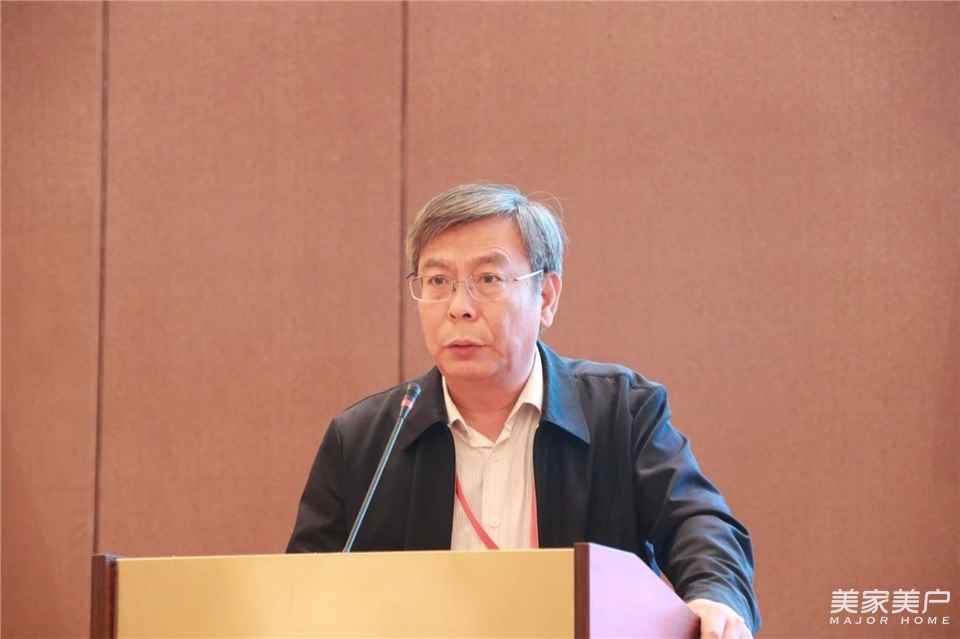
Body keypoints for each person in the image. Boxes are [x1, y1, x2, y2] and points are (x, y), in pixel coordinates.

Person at [288, 183, 761, 638]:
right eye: (438, 281)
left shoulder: (622, 412)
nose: (459, 307)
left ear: (547, 297)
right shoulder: (364, 440)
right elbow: (300, 595)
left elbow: (699, 524)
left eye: (488, 279)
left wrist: (715, 596)